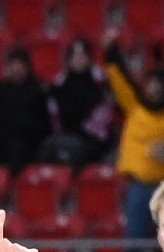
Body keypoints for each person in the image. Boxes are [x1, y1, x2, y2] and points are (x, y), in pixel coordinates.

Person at [102, 42, 164, 248]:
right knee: (134, 240)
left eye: (159, 85)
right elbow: (120, 82)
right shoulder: (135, 108)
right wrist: (111, 54)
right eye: (151, 85)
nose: (155, 89)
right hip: (139, 184)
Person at [41, 38, 114, 169]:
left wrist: (87, 129)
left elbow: (105, 110)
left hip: (93, 135)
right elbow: (53, 112)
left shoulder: (100, 81)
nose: (79, 59)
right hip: (67, 133)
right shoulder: (59, 84)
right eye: (74, 56)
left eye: (82, 55)